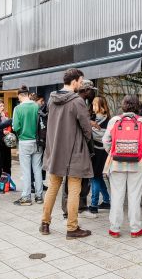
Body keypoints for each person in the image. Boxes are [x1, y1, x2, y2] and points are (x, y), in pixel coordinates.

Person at [39, 68, 94, 239]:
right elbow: (87, 129)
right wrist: (86, 139)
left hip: (55, 149)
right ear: (75, 81)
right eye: (81, 80)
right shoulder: (77, 101)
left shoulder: (52, 99)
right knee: (74, 189)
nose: (82, 83)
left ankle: (44, 223)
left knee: (53, 187)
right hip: (74, 151)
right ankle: (72, 228)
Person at [103, 95, 142, 238]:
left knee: (117, 196)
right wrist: (141, 156)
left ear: (123, 105)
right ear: (137, 106)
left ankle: (114, 228)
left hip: (117, 163)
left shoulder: (114, 120)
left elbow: (105, 140)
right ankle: (135, 229)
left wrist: (113, 152)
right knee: (134, 197)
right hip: (137, 164)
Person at [61, 79, 96, 218]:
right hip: (76, 147)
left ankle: (81, 207)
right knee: (70, 182)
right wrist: (87, 139)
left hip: (81, 146)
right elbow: (84, 128)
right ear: (86, 90)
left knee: (84, 179)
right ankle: (67, 213)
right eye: (92, 90)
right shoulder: (76, 102)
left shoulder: (82, 102)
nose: (93, 93)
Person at [12, 85, 44, 205]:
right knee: (38, 169)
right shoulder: (37, 106)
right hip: (37, 141)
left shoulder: (18, 108)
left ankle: (26, 197)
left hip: (24, 141)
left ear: (20, 95)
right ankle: (39, 196)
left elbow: (16, 127)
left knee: (26, 171)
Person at [89, 96, 111, 214]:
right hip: (101, 152)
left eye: (95, 104)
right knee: (98, 177)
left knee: (95, 178)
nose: (93, 106)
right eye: (92, 104)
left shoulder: (105, 122)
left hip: (99, 153)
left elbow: (98, 136)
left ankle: (93, 204)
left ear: (102, 107)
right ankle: (107, 201)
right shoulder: (95, 119)